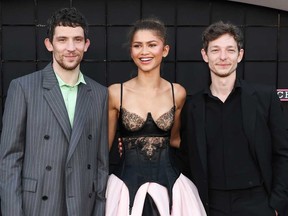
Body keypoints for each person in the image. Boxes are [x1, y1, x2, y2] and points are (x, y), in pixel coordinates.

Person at [0, 7, 108, 216]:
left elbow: (101, 163)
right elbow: (9, 159)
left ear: (86, 45)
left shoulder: (99, 94)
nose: (70, 47)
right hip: (37, 205)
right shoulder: (23, 88)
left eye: (77, 39)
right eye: (62, 40)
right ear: (49, 44)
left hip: (82, 205)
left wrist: (99, 209)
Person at [178, 21, 288, 216]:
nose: (223, 57)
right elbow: (185, 157)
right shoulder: (192, 106)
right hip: (209, 205)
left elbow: (282, 153)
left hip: (258, 202)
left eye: (230, 50)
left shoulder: (265, 97)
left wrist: (277, 204)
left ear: (240, 55)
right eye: (215, 50)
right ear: (205, 55)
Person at [105, 18, 206, 215]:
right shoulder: (116, 93)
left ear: (165, 50)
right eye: (137, 46)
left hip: (172, 191)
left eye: (152, 45)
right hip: (125, 191)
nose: (144, 52)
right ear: (131, 52)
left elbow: (175, 139)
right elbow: (104, 148)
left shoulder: (178, 92)